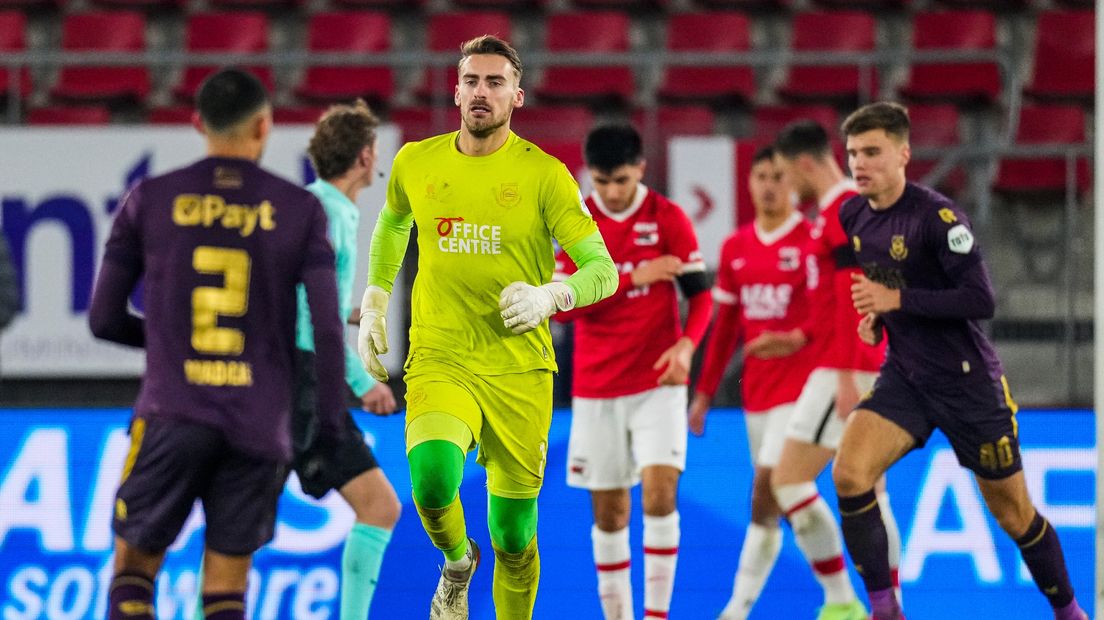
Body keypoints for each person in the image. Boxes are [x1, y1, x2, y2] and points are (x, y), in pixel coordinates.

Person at [356, 35, 618, 619]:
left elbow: (605, 271)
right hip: (440, 352)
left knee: (514, 537)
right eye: (471, 80)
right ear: (456, 91)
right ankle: (455, 564)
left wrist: (553, 295)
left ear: (516, 96)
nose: (481, 91)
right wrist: (375, 295)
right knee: (430, 478)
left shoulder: (546, 176)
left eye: (495, 82)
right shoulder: (415, 162)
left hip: (518, 368)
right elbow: (395, 223)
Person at [88, 68, 347, 620]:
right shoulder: (300, 211)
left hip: (172, 414)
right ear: (264, 126)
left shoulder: (151, 199)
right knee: (226, 594)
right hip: (258, 423)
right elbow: (327, 331)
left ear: (197, 123)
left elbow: (104, 319)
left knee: (133, 574)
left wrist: (167, 344)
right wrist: (328, 430)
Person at [834, 101, 1088, 620]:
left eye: (873, 152)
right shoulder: (853, 214)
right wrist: (881, 320)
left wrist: (895, 303)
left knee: (1015, 515)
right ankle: (885, 611)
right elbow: (895, 287)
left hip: (968, 385)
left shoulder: (939, 218)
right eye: (854, 153)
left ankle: (1070, 612)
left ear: (904, 153)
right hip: (906, 377)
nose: (860, 163)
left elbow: (980, 300)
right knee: (849, 474)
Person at [552, 123, 712, 620]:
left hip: (658, 382)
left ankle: (658, 616)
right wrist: (630, 276)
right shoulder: (576, 222)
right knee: (610, 513)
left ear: (641, 170)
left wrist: (687, 346)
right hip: (597, 387)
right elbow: (562, 308)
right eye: (602, 182)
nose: (612, 192)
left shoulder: (669, 218)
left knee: (661, 494)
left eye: (620, 180)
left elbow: (701, 295)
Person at [748, 120, 897, 620]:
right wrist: (797, 337)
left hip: (846, 368)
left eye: (788, 173)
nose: (786, 185)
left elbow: (859, 298)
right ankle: (881, 605)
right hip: (842, 360)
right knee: (870, 488)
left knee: (789, 481)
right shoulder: (842, 210)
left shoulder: (842, 212)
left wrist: (850, 378)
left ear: (805, 164)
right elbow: (832, 303)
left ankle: (846, 601)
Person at [688, 145, 818, 619]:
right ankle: (743, 606)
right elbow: (724, 331)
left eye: (778, 176)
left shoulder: (811, 241)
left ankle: (833, 591)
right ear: (748, 184)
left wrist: (795, 338)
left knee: (770, 484)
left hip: (804, 390)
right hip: (757, 396)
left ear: (794, 184)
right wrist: (703, 395)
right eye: (760, 175)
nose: (768, 185)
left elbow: (830, 316)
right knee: (768, 506)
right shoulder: (736, 246)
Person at [291, 100, 402, 618]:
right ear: (364, 157)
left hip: (274, 378)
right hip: (308, 380)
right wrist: (363, 381)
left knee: (238, 516)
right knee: (380, 506)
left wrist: (347, 310)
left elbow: (303, 298)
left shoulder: (305, 205)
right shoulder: (333, 214)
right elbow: (316, 317)